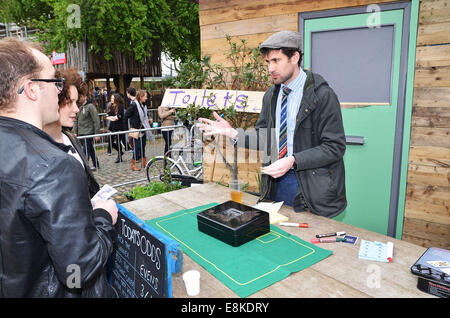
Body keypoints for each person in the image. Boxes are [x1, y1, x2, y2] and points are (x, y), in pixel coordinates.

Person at [0, 37, 118, 297]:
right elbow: (80, 268)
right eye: (54, 81)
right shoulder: (53, 165)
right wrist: (103, 217)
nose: (59, 89)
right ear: (31, 89)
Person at [198, 30, 347, 218]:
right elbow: (265, 137)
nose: (270, 68)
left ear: (295, 57)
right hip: (276, 182)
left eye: (276, 60)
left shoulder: (323, 95)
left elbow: (335, 147)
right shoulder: (271, 95)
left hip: (312, 187)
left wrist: (294, 159)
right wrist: (233, 133)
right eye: (268, 62)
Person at [43, 68, 100, 198]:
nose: (76, 109)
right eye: (69, 102)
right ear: (53, 101)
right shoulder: (38, 147)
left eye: (76, 102)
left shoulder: (70, 137)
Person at [125, 88, 155, 171]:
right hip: (137, 130)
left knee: (143, 146)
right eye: (145, 96)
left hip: (143, 129)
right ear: (141, 97)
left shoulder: (143, 105)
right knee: (137, 147)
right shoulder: (134, 105)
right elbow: (126, 115)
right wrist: (132, 125)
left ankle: (143, 163)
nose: (146, 98)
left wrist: (147, 120)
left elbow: (144, 116)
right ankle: (133, 165)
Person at [74, 94, 101, 170]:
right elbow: (76, 120)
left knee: (85, 150)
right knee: (90, 148)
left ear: (85, 97)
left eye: (81, 96)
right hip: (81, 132)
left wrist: (97, 133)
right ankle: (96, 164)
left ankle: (85, 167)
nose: (79, 98)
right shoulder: (79, 107)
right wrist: (75, 131)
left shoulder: (90, 107)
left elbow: (96, 120)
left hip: (88, 132)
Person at [106, 93, 126, 163]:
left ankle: (119, 157)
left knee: (118, 141)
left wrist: (113, 118)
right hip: (112, 127)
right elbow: (108, 116)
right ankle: (120, 152)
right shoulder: (111, 106)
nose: (111, 99)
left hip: (119, 127)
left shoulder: (120, 107)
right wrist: (112, 118)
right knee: (110, 141)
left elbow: (118, 117)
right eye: (111, 98)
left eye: (112, 98)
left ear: (116, 99)